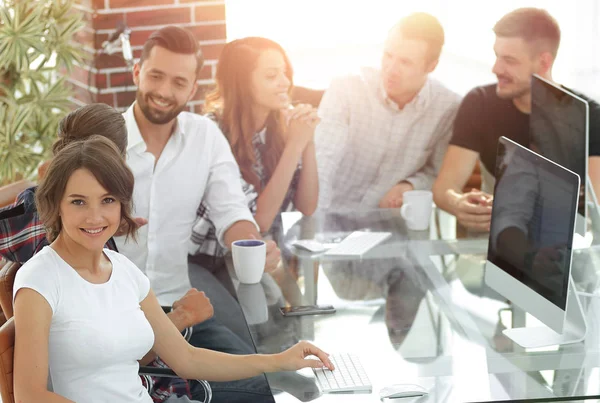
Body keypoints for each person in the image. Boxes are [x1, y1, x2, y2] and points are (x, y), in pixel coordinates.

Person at [12, 136, 333, 403]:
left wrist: (277, 361)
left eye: (107, 200)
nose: (95, 217)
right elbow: (29, 395)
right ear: (56, 204)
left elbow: (187, 359)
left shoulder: (125, 272)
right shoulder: (40, 279)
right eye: (78, 202)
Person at [114, 26, 280, 341]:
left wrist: (252, 245)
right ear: (137, 72)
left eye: (178, 82)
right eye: (155, 76)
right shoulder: (104, 140)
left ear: (192, 90)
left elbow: (231, 209)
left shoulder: (204, 136)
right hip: (113, 310)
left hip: (181, 307)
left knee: (258, 379)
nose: (164, 91)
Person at [433, 7, 600, 232]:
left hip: (563, 245)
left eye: (509, 60)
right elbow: (445, 187)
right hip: (494, 240)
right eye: (496, 56)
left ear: (544, 62)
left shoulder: (589, 115)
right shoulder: (479, 102)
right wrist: (457, 203)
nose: (495, 68)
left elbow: (596, 205)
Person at [314, 12, 461, 212]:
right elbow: (323, 162)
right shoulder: (346, 88)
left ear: (431, 66)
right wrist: (316, 226)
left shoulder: (448, 107)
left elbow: (436, 172)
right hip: (332, 212)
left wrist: (410, 185)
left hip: (389, 225)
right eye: (388, 55)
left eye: (405, 62)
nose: (391, 69)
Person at [191, 36, 319, 263]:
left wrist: (307, 140)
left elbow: (307, 206)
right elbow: (257, 222)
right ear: (241, 83)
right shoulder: (211, 130)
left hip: (259, 254)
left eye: (284, 73)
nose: (285, 83)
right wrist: (294, 145)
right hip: (207, 258)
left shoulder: (279, 124)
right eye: (271, 76)